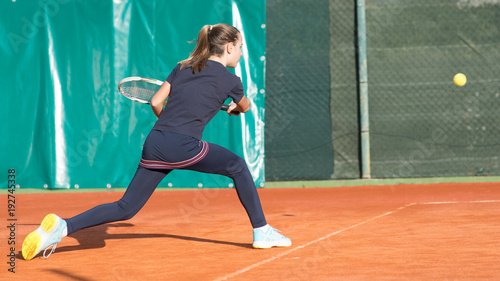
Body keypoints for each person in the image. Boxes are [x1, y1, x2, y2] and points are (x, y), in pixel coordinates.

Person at [22, 23, 291, 261]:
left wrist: (173, 127)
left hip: (155, 141)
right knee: (238, 166)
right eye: (241, 47)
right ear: (229, 47)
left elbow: (155, 101)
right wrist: (234, 106)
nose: (242, 53)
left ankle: (62, 226)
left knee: (126, 208)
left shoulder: (182, 67)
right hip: (183, 145)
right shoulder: (232, 80)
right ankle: (262, 231)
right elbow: (245, 107)